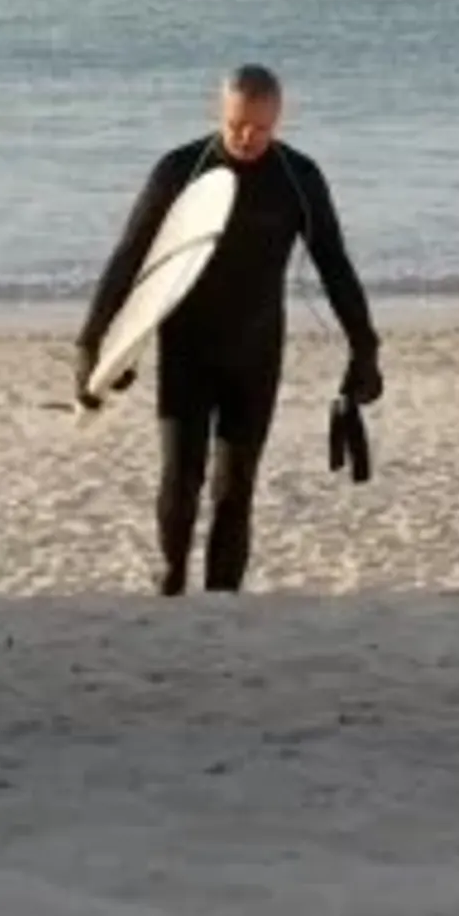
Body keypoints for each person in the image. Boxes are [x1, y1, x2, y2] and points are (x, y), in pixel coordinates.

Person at [77, 63, 380, 597]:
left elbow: (334, 265)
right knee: (181, 476)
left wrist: (364, 349)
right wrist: (94, 345)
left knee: (234, 489)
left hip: (256, 351)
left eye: (261, 127)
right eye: (238, 124)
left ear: (278, 119)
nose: (247, 138)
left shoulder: (297, 178)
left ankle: (222, 599)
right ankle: (171, 577)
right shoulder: (179, 171)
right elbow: (130, 259)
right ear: (220, 112)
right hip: (186, 349)